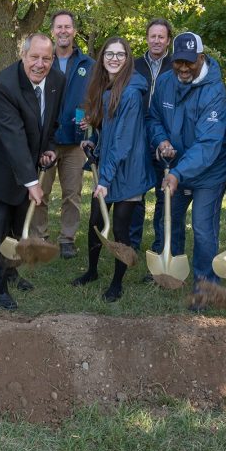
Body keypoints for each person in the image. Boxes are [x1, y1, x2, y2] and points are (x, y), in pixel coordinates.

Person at [0, 34, 65, 310]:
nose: (40, 64)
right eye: (34, 57)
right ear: (22, 56)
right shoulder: (5, 85)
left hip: (25, 162)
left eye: (46, 58)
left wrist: (48, 148)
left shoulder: (57, 81)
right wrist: (32, 181)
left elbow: (50, 121)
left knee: (18, 221)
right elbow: (12, 137)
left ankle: (11, 270)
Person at [146, 32, 226, 306]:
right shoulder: (164, 83)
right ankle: (171, 272)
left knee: (202, 226)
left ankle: (205, 285)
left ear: (202, 58)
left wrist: (177, 173)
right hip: (178, 162)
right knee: (169, 218)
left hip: (211, 168)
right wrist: (161, 140)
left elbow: (208, 145)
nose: (184, 69)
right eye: (178, 62)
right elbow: (153, 117)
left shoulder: (215, 93)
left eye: (190, 62)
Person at [72, 37, 154, 302]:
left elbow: (123, 141)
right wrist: (93, 140)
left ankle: (117, 283)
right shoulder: (104, 85)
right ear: (103, 57)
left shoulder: (130, 91)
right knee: (95, 220)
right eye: (110, 54)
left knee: (120, 228)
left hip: (128, 171)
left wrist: (105, 179)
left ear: (127, 58)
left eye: (120, 54)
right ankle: (92, 271)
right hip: (108, 165)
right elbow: (106, 127)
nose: (115, 58)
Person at [30, 11, 94, 259]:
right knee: (40, 192)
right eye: (59, 27)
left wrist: (91, 116)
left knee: (72, 194)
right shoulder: (43, 60)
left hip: (75, 141)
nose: (64, 31)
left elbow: (97, 97)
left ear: (74, 31)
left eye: (68, 27)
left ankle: (67, 239)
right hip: (47, 139)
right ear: (53, 31)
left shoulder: (88, 64)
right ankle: (40, 237)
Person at [130, 18, 174, 251]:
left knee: (163, 194)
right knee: (136, 194)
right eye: (152, 36)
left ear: (168, 40)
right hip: (137, 137)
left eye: (161, 37)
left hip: (164, 140)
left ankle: (160, 245)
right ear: (147, 38)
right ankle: (132, 243)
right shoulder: (133, 65)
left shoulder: (177, 65)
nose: (156, 41)